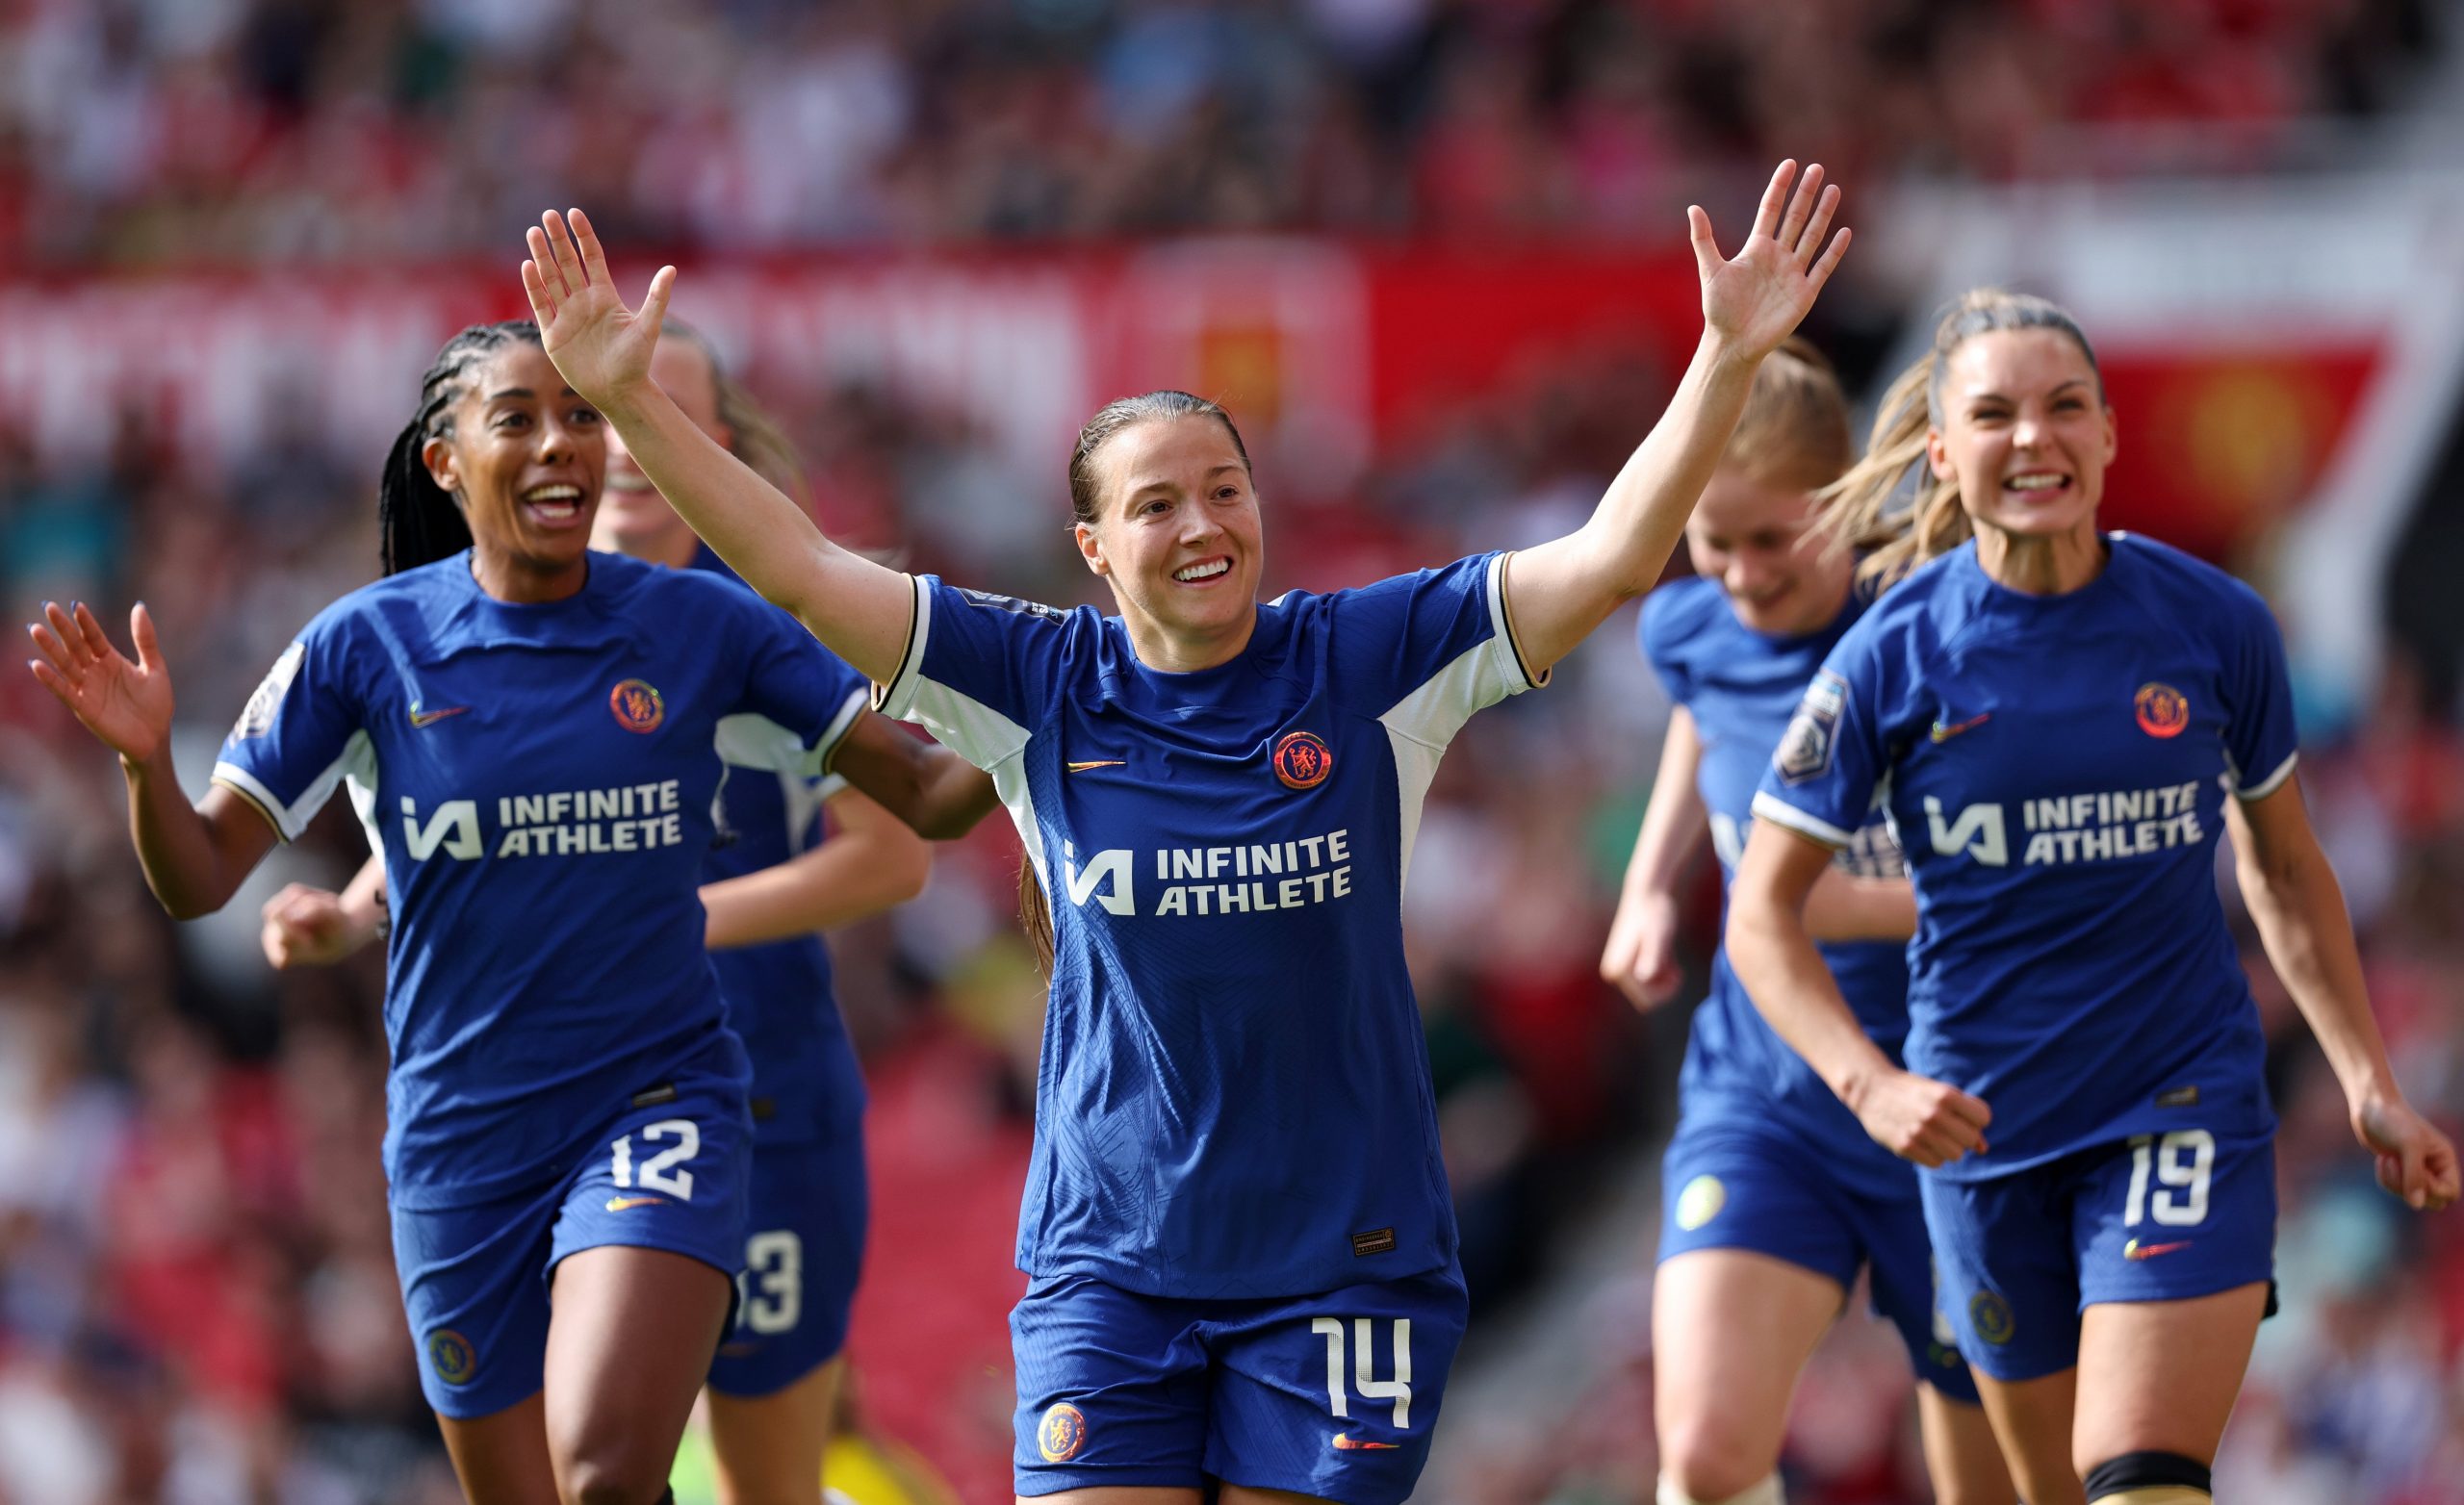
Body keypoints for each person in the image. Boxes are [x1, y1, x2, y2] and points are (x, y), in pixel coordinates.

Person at [515, 158, 1850, 1505]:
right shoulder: (1032, 679)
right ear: (1094, 549)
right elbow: (800, 569)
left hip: (1345, 1268)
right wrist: (626, 394)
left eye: (1225, 489)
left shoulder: (1369, 658)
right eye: (1156, 504)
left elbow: (1614, 555)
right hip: (1112, 1267)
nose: (1203, 523)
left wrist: (1727, 359)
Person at [26, 319, 888, 1505]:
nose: (570, 446)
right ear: (443, 461)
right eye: (520, 419)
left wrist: (1045, 700)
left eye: (587, 414)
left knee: (613, 1467)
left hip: (675, 1096)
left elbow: (917, 815)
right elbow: (205, 874)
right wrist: (146, 773)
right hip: (460, 1138)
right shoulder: (366, 646)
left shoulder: (719, 623)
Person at [1725, 290, 2460, 1505]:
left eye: (2066, 407)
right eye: (1994, 414)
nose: (2033, 438)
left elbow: (2281, 869)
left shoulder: (2215, 625)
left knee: (2138, 1474)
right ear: (1943, 455)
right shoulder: (1886, 656)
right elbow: (1759, 911)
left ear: (2110, 434)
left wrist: (2367, 1080)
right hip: (1981, 1129)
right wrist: (1872, 1083)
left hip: (2175, 1104)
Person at [254, 321, 988, 1505]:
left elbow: (896, 859)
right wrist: (349, 911)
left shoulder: (762, 622)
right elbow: (466, 845)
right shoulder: (497, 632)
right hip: (528, 1105)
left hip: (754, 1091)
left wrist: (655, 920)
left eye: (658, 408)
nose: (633, 434)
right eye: (607, 404)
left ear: (721, 450)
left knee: (746, 1476)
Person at [1599, 338, 2011, 1505]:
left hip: (1952, 1101)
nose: (1734, 572)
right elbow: (1700, 717)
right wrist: (1648, 880)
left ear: (1841, 505)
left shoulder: (1933, 633)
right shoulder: (1687, 629)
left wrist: (1840, 904)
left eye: (1768, 540)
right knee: (1705, 1457)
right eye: (1710, 540)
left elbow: (2002, 877)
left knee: (1989, 1481)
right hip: (1770, 1096)